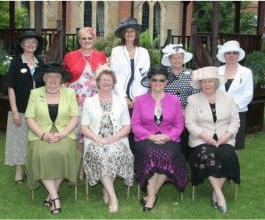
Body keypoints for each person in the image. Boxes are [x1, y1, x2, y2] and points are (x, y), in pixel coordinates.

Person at [25, 63, 81, 214]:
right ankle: (55, 198)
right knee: (41, 154)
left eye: (56, 77)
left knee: (65, 153)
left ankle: (51, 194)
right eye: (49, 76)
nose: (53, 79)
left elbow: (75, 117)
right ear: (44, 78)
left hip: (64, 132)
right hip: (40, 134)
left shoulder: (69, 93)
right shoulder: (35, 93)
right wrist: (43, 135)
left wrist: (63, 134)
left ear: (61, 79)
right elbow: (30, 118)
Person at [132, 66, 188, 212]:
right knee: (150, 154)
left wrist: (168, 137)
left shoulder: (175, 101)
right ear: (150, 81)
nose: (158, 83)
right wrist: (150, 136)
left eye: (161, 80)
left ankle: (151, 194)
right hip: (145, 139)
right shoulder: (139, 100)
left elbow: (179, 125)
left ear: (166, 82)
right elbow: (135, 125)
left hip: (169, 139)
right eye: (154, 80)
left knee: (168, 155)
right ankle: (151, 196)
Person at [185, 66, 240, 214]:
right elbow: (190, 123)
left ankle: (215, 193)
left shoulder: (228, 98)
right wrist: (207, 138)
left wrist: (227, 136)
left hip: (224, 138)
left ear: (216, 82)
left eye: (210, 81)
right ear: (200, 84)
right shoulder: (193, 99)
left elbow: (235, 121)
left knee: (227, 156)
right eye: (203, 82)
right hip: (201, 140)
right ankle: (219, 194)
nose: (207, 84)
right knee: (207, 156)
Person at [81, 65, 134, 213]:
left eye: (109, 80)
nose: (106, 82)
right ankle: (114, 198)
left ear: (113, 82)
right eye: (103, 79)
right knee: (101, 155)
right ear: (98, 82)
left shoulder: (121, 101)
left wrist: (114, 138)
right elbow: (84, 127)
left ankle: (106, 189)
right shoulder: (89, 101)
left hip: (117, 139)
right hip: (95, 140)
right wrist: (96, 138)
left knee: (115, 154)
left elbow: (127, 127)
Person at [63, 27, 107, 180]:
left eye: (89, 38)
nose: (86, 41)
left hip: (94, 101)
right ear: (79, 40)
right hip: (75, 101)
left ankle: (85, 168)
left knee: (90, 133)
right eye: (83, 38)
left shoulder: (101, 56)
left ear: (93, 39)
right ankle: (75, 167)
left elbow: (106, 79)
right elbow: (64, 79)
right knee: (75, 136)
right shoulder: (70, 56)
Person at [5, 30, 45, 183]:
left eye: (33, 42)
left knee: (35, 140)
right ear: (22, 45)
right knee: (18, 139)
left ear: (37, 45)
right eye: (27, 42)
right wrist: (14, 111)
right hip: (20, 108)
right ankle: (19, 171)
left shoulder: (40, 63)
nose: (30, 44)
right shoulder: (16, 62)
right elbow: (11, 87)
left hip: (38, 110)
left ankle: (33, 168)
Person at [110, 17, 150, 153]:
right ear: (122, 34)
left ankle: (135, 162)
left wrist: (137, 98)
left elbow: (146, 77)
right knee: (120, 128)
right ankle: (119, 159)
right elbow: (113, 76)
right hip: (119, 97)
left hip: (139, 99)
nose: (129, 34)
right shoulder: (116, 51)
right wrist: (124, 97)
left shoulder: (143, 52)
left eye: (132, 31)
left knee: (136, 130)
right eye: (126, 31)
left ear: (136, 33)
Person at [161, 43, 199, 159]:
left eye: (179, 57)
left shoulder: (190, 73)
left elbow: (195, 94)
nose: (177, 60)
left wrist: (186, 110)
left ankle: (184, 160)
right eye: (174, 57)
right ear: (169, 59)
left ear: (183, 58)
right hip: (167, 111)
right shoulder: (163, 74)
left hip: (187, 111)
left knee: (185, 136)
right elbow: (159, 93)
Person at [216, 40, 253, 152]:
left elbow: (248, 94)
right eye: (228, 53)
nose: (231, 55)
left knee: (235, 147)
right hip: (219, 113)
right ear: (224, 55)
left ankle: (233, 169)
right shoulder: (217, 71)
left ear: (238, 55)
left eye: (234, 53)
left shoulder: (246, 72)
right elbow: (213, 91)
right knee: (218, 143)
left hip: (238, 113)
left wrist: (231, 106)